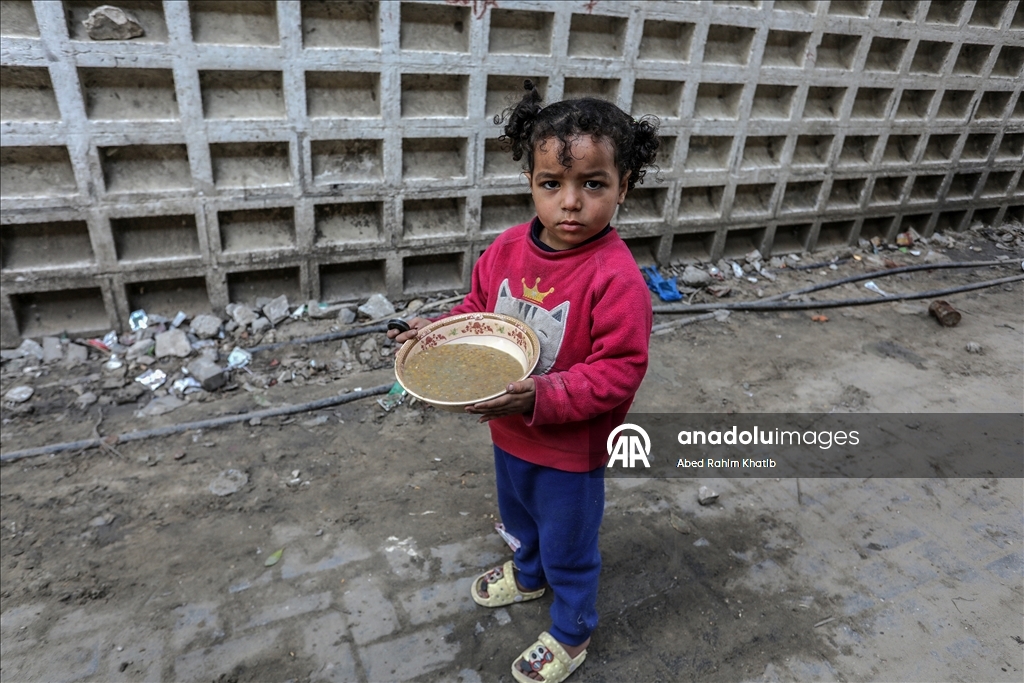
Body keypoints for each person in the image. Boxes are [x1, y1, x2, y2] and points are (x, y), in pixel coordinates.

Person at [388, 80, 658, 683]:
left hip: (571, 447)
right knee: (519, 517)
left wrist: (545, 392)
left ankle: (572, 629)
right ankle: (527, 573)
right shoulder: (507, 249)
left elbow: (620, 372)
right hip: (509, 430)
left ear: (625, 187)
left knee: (569, 542)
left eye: (593, 184)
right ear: (530, 182)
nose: (569, 203)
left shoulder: (616, 280)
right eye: (551, 184)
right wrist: (436, 330)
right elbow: (480, 312)